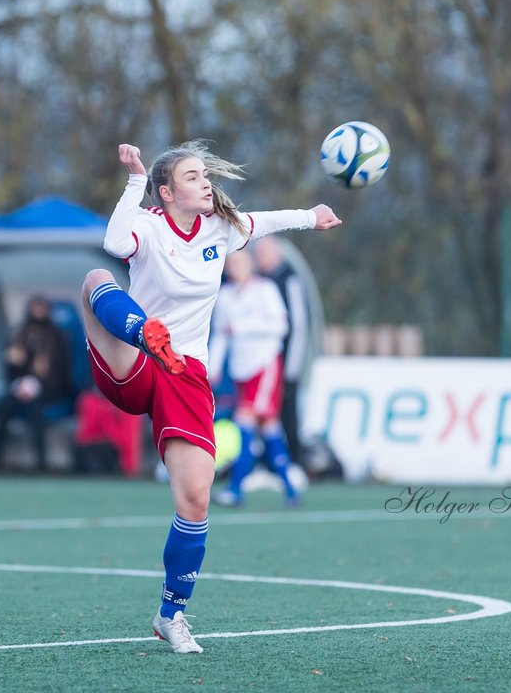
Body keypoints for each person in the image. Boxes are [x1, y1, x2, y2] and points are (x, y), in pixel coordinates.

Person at [80, 140, 341, 654]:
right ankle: (141, 328)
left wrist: (312, 216)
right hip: (136, 359)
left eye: (205, 175)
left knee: (196, 499)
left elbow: (264, 222)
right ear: (166, 191)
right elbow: (113, 242)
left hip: (186, 371)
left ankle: (171, 615)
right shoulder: (149, 223)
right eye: (194, 176)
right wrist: (133, 180)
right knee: (96, 278)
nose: (205, 182)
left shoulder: (221, 228)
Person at [208, 249, 299, 507]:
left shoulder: (265, 289)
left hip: (264, 364)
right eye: (230, 263)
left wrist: (242, 327)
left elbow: (281, 325)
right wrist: (212, 368)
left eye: (238, 262)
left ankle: (236, 488)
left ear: (249, 265)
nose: (233, 267)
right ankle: (291, 488)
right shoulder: (225, 296)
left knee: (244, 419)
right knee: (268, 427)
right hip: (241, 368)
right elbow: (220, 335)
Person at [0, 295, 73, 472]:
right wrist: (18, 385)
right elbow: (11, 366)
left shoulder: (56, 336)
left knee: (37, 415)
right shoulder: (20, 333)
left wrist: (36, 386)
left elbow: (61, 371)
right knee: (2, 410)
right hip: (19, 388)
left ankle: (41, 462)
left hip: (45, 390)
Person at [253, 236, 311, 464]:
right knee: (266, 416)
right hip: (265, 362)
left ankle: (295, 463)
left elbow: (298, 325)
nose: (259, 259)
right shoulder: (260, 281)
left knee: (288, 414)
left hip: (285, 362)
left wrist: (291, 367)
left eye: (264, 253)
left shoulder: (290, 279)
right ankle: (270, 465)